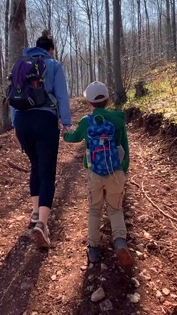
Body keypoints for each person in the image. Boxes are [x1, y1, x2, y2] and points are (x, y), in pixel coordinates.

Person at [11, 30, 72, 249]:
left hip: (22, 122)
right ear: (50, 50)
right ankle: (42, 226)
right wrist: (66, 122)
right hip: (45, 120)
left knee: (35, 166)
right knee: (47, 171)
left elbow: (13, 96)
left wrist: (15, 124)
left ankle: (35, 212)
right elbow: (62, 95)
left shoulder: (20, 63)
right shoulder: (53, 65)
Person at [63, 81, 132, 267]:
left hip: (94, 172)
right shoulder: (118, 120)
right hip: (115, 172)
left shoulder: (87, 122)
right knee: (115, 209)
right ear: (108, 100)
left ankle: (93, 248)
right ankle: (119, 242)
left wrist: (65, 133)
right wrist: (123, 170)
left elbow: (74, 138)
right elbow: (125, 147)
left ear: (89, 103)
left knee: (95, 209)